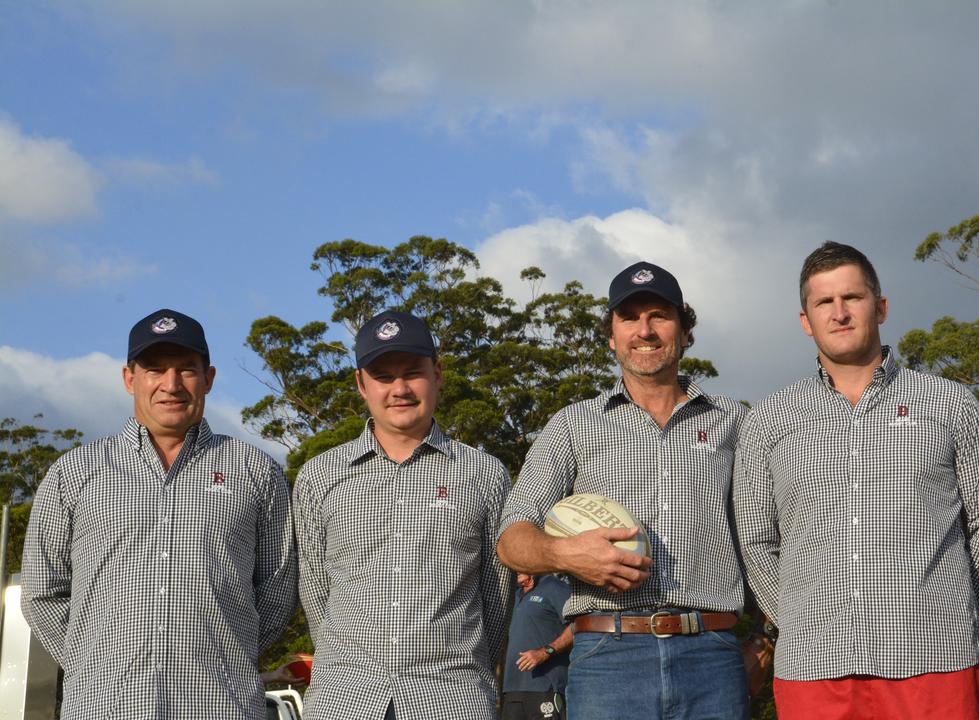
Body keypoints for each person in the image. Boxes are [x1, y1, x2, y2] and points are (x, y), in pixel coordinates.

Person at [733, 241, 979, 720]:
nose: (839, 313)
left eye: (852, 298)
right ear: (805, 321)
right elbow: (756, 540)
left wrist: (949, 603)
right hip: (814, 669)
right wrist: (799, 618)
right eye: (824, 302)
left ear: (880, 307)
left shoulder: (951, 405)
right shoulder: (769, 421)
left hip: (936, 663)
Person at [497, 261, 752, 719]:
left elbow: (777, 533)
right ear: (612, 335)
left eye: (659, 315)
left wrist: (767, 638)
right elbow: (511, 538)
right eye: (630, 317)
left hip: (713, 655)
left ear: (685, 330)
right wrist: (565, 554)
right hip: (607, 658)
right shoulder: (572, 425)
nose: (645, 329)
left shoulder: (735, 422)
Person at [21, 308, 296, 719]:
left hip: (222, 706)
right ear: (129, 378)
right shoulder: (74, 473)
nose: (171, 384)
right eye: (154, 369)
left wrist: (222, 654)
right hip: (103, 707)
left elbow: (277, 591)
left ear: (209, 378)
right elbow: (42, 591)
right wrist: (92, 662)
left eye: (187, 369)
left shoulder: (255, 471)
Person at [293, 310, 513, 720]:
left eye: (413, 372)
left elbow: (497, 597)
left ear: (438, 374)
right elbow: (315, 588)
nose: (400, 389)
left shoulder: (485, 474)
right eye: (383, 377)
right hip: (344, 699)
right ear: (361, 384)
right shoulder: (319, 475)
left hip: (452, 698)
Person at [502, 573, 573, 720]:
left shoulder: (555, 587)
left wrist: (545, 652)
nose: (516, 568)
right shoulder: (514, 594)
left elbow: (578, 626)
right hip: (512, 690)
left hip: (545, 687)